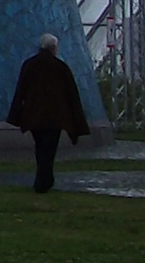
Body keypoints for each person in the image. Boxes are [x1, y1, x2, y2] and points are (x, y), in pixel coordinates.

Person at [7, 32, 89, 193]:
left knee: (40, 147)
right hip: (55, 117)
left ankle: (43, 178)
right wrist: (77, 124)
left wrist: (16, 115)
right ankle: (44, 180)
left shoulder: (29, 65)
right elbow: (72, 96)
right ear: (54, 48)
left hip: (33, 116)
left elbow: (20, 91)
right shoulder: (61, 68)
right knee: (49, 149)